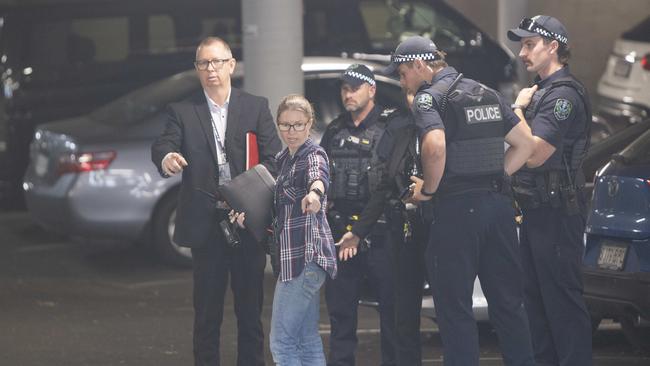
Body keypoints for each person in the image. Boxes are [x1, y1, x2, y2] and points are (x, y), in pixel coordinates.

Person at [384, 35, 537, 366]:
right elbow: (525, 145)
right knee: (509, 305)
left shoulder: (430, 99)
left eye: (402, 72)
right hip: (498, 209)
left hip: (456, 212)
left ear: (420, 65)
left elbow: (435, 146)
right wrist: (496, 175)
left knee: (455, 310)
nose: (402, 81)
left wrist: (429, 189)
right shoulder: (485, 92)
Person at [150, 36, 282, 366]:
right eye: (203, 63)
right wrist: (167, 158)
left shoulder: (255, 106)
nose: (211, 69)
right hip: (206, 225)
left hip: (246, 223)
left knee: (250, 314)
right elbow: (164, 144)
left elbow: (275, 158)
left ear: (231, 65)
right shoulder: (183, 111)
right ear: (196, 69)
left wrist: (252, 202)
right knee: (206, 315)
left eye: (217, 62)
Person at [507, 15, 593, 366]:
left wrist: (515, 109)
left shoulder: (563, 96)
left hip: (557, 213)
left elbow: (536, 153)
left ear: (553, 46)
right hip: (535, 209)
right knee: (536, 303)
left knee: (561, 304)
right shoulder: (540, 92)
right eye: (522, 45)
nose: (522, 53)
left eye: (529, 44)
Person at [234, 94, 338, 365]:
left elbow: (319, 176)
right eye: (285, 125)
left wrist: (315, 195)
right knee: (305, 338)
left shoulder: (313, 154)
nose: (291, 132)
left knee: (281, 342)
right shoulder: (283, 159)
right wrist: (249, 218)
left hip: (305, 259)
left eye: (298, 125)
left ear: (310, 124)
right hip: (295, 260)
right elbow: (277, 214)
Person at [337, 91, 429, 366]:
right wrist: (359, 231)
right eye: (410, 95)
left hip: (441, 229)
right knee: (402, 315)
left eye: (419, 95)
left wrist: (432, 190)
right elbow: (384, 185)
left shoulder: (446, 128)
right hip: (403, 230)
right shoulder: (399, 130)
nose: (414, 101)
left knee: (449, 312)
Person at [320, 64, 397, 366]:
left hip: (381, 233)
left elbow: (391, 183)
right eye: (344, 89)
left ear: (371, 89)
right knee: (341, 316)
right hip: (341, 235)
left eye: (354, 87)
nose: (348, 94)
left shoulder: (392, 127)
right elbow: (323, 175)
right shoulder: (335, 129)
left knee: (393, 315)